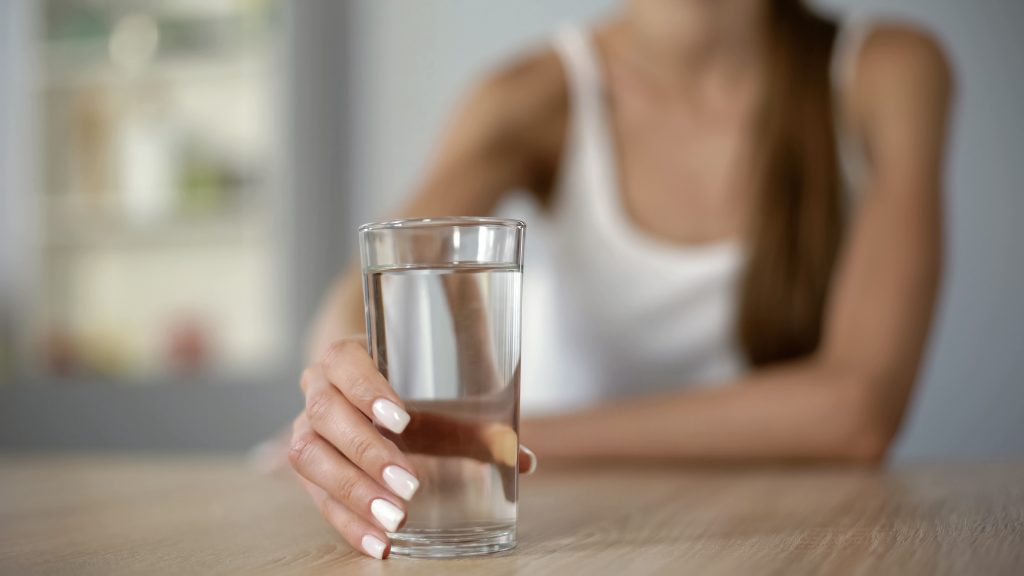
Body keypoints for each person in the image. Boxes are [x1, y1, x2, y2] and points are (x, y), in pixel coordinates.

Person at [285, 0, 951, 559]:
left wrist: (496, 440)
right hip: (579, 533)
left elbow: (857, 413)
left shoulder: (886, 69)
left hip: (805, 537)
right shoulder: (535, 93)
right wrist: (347, 394)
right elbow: (358, 297)